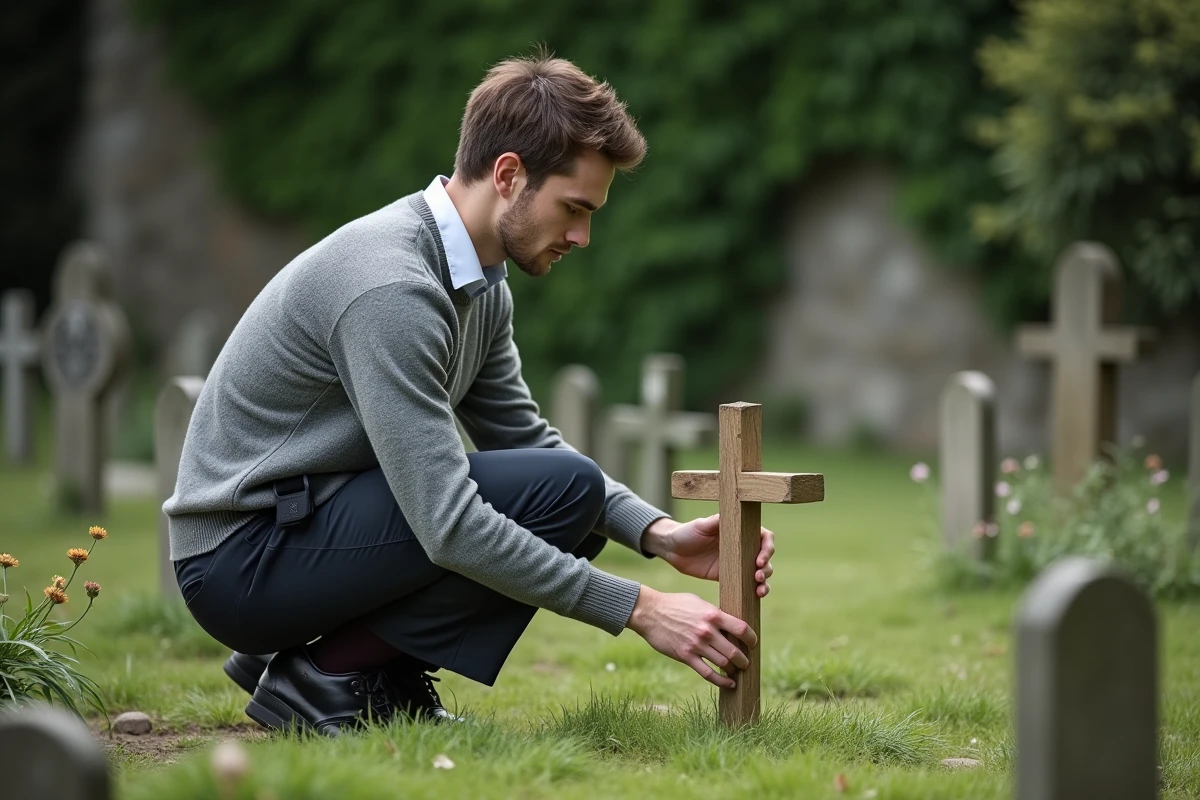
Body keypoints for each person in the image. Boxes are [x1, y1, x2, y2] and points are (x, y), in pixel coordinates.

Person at [165, 51, 775, 737]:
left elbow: (526, 443)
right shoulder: (393, 286)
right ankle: (330, 676)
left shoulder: (480, 282)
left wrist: (656, 533)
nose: (582, 236)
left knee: (567, 493)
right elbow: (448, 523)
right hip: (240, 560)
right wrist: (639, 608)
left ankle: (366, 671)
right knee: (557, 492)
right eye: (573, 208)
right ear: (509, 175)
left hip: (300, 528)